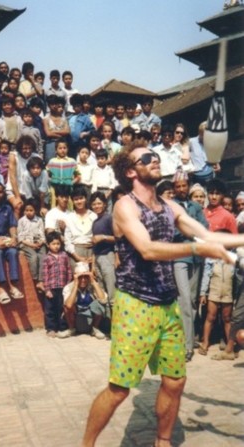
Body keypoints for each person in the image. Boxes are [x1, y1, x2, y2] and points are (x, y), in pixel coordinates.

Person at [81, 140, 244, 447]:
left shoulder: (170, 206)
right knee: (120, 390)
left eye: (156, 156)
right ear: (131, 170)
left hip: (167, 304)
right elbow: (148, 249)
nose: (155, 160)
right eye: (147, 158)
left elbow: (208, 234)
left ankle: (163, 441)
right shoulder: (124, 206)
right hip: (135, 306)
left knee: (175, 380)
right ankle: (86, 445)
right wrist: (197, 249)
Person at [172, 171, 208, 362]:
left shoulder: (195, 206)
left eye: (183, 185)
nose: (181, 189)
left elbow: (204, 228)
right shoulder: (170, 206)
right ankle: (186, 346)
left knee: (193, 301)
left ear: (188, 186)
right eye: (177, 186)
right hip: (179, 256)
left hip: (196, 257)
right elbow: (173, 231)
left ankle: (188, 335)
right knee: (184, 299)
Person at [57, 261, 107, 339]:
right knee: (67, 305)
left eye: (85, 277)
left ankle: (95, 329)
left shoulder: (92, 285)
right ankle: (71, 329)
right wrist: (76, 285)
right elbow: (69, 305)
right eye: (80, 277)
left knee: (100, 303)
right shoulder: (69, 287)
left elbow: (103, 300)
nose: (83, 280)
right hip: (76, 319)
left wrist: (93, 281)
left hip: (90, 319)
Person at [38, 231, 72, 337]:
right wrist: (47, 289)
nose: (56, 246)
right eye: (53, 244)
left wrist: (68, 285)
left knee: (62, 308)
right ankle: (51, 328)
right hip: (51, 288)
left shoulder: (64, 256)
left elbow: (69, 270)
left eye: (58, 244)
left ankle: (62, 327)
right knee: (50, 309)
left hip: (63, 287)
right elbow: (45, 274)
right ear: (48, 245)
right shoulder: (46, 258)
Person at [90, 192, 116, 307]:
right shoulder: (95, 222)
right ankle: (106, 322)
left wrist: (103, 237)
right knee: (102, 292)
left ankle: (116, 322)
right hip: (98, 257)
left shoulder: (109, 218)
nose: (97, 206)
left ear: (105, 204)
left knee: (111, 291)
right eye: (94, 204)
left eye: (99, 203)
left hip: (108, 256)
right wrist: (93, 264)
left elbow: (119, 238)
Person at [17, 198, 46, 289]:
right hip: (26, 243)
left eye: (31, 210)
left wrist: (40, 242)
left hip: (38, 243)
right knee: (34, 257)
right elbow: (20, 238)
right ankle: (35, 278)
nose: (28, 212)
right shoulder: (21, 221)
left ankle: (41, 280)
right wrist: (31, 245)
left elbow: (42, 234)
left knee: (42, 256)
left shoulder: (39, 220)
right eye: (26, 210)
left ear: (36, 211)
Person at [91, 149, 117, 213]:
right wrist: (95, 194)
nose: (100, 161)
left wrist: (109, 192)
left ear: (106, 159)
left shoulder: (110, 169)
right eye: (98, 159)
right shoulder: (94, 169)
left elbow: (113, 182)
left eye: (102, 158)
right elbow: (94, 182)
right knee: (98, 210)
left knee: (108, 209)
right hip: (97, 191)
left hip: (108, 191)